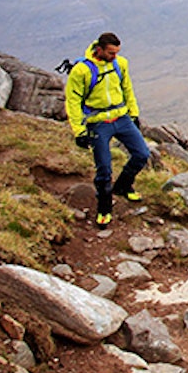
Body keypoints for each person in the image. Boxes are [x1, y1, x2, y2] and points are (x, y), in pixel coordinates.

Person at [64, 32, 150, 229]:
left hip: (121, 117)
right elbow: (73, 101)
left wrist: (134, 114)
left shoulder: (120, 64)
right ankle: (104, 208)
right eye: (111, 53)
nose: (114, 56)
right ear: (99, 49)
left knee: (142, 154)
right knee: (104, 168)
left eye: (117, 52)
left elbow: (127, 88)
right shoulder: (81, 71)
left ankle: (122, 186)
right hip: (98, 122)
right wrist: (79, 131)